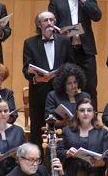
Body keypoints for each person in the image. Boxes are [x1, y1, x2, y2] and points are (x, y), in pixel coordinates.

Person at [49, 0, 102, 106]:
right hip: (66, 49)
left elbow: (97, 16)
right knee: (63, 85)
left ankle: (93, 120)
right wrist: (59, 31)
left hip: (85, 50)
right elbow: (50, 23)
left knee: (90, 86)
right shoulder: (56, 0)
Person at [22, 10, 74, 148]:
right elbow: (26, 70)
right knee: (36, 130)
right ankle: (36, 162)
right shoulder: (29, 43)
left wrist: (60, 74)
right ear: (39, 24)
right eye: (46, 20)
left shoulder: (65, 41)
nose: (49, 23)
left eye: (52, 20)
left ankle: (61, 159)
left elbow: (71, 65)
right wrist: (37, 79)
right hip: (39, 92)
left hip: (60, 92)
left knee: (62, 127)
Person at [57, 97, 108, 176]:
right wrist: (67, 153)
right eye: (82, 110)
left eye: (89, 110)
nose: (85, 113)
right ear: (77, 113)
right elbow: (58, 152)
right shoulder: (67, 131)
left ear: (94, 113)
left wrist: (99, 162)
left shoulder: (102, 132)